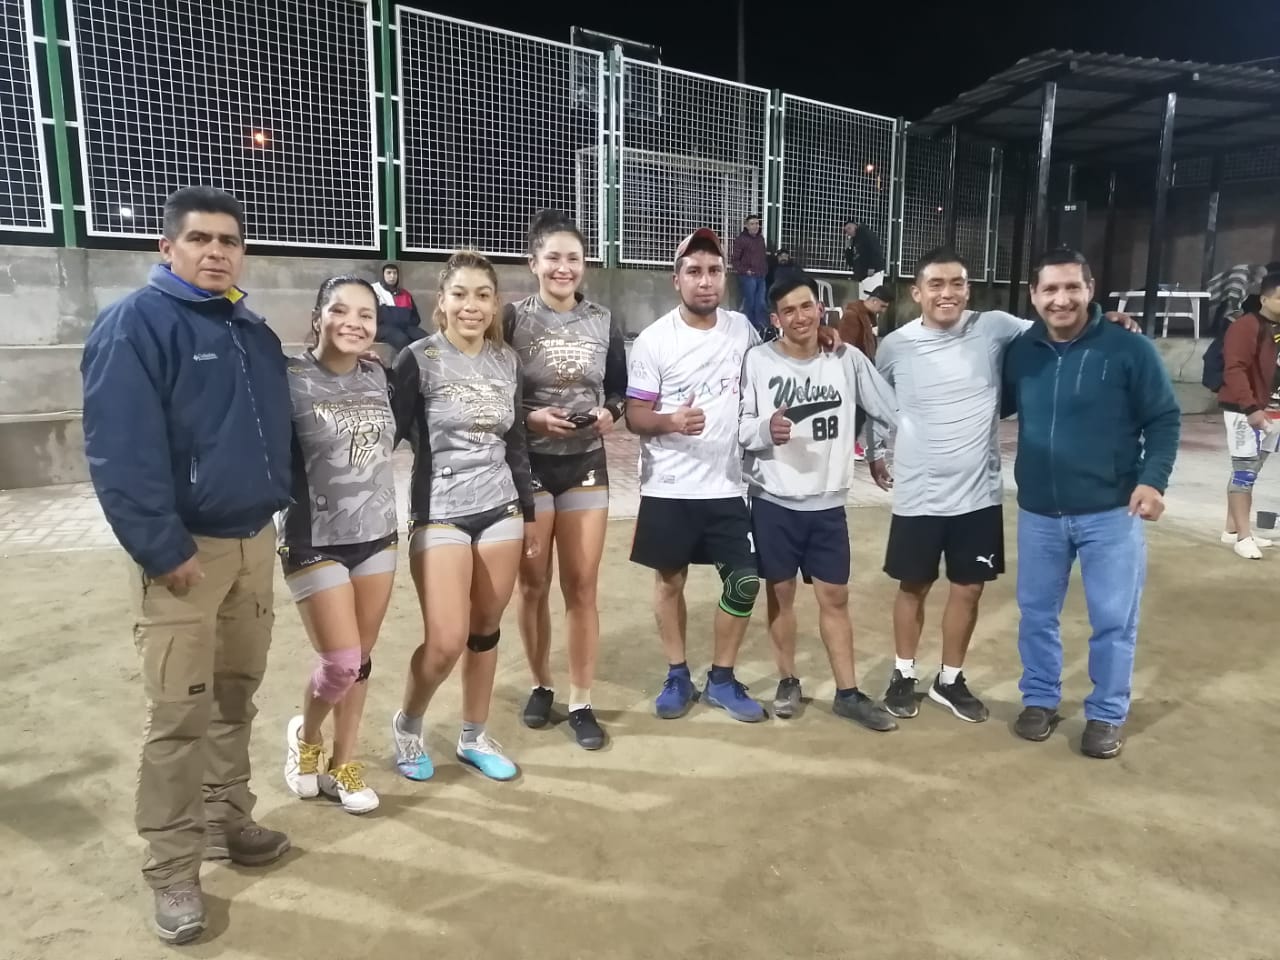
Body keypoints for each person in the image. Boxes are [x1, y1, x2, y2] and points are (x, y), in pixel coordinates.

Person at [81, 186, 292, 944]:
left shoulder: (249, 328)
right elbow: (119, 451)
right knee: (178, 715)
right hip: (185, 557)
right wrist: (163, 548)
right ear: (166, 248)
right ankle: (173, 870)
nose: (216, 252)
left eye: (229, 241)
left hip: (252, 543)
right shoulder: (135, 325)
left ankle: (226, 818)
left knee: (236, 694)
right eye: (199, 239)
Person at [871, 247, 1137, 725]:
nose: (947, 293)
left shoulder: (994, 327)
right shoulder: (895, 345)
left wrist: (1103, 320)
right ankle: (903, 673)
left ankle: (949, 679)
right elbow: (873, 400)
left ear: (968, 289)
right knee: (914, 586)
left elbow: (1056, 324)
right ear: (917, 292)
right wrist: (874, 451)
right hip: (917, 492)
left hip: (978, 493)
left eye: (957, 283)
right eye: (936, 284)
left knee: (968, 588)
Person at [1004, 249, 1180, 759]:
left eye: (1071, 288)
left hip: (1111, 512)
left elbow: (1164, 419)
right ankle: (1040, 699)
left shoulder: (1128, 349)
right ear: (1034, 295)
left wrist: (1153, 482)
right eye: (1050, 289)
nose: (1061, 299)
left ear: (1090, 289)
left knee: (1113, 619)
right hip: (1040, 512)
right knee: (1036, 615)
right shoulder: (1022, 351)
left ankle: (1106, 712)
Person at [389, 250, 538, 783]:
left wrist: (529, 513)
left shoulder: (507, 361)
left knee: (485, 630)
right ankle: (408, 724)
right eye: (460, 294)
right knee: (446, 640)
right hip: (441, 513)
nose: (471, 306)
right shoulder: (417, 358)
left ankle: (474, 735)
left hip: (501, 509)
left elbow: (515, 443)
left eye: (482, 295)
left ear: (495, 304)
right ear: (441, 301)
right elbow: (387, 435)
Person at [738, 274, 899, 731]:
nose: (799, 317)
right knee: (780, 593)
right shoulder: (758, 361)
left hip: (828, 502)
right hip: (773, 499)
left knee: (835, 597)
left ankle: (847, 693)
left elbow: (887, 406)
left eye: (806, 306)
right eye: (788, 310)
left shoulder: (846, 358)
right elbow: (741, 425)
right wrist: (765, 429)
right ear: (775, 319)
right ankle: (787, 679)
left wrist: (884, 448)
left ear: (821, 309)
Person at [625, 228, 769, 722]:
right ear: (677, 280)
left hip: (728, 485)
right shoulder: (654, 340)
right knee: (670, 582)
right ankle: (677, 673)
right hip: (669, 485)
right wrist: (671, 421)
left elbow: (775, 363)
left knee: (744, 582)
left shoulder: (743, 330)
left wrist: (822, 338)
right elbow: (635, 416)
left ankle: (722, 679)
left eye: (714, 271)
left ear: (725, 277)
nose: (705, 281)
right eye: (694, 271)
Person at [503, 209, 626, 751]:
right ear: (533, 263)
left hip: (584, 464)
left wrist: (609, 414)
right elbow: (492, 387)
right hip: (529, 468)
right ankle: (541, 684)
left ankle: (580, 700)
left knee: (582, 586)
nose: (563, 267)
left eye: (573, 258)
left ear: (584, 265)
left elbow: (620, 389)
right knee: (533, 585)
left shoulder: (602, 320)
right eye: (552, 257)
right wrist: (529, 418)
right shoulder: (510, 319)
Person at [279, 277, 398, 815]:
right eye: (340, 310)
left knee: (361, 662)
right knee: (341, 662)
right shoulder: (289, 378)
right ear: (317, 317)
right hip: (314, 538)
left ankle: (343, 764)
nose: (354, 322)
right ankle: (306, 738)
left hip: (378, 536)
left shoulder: (379, 374)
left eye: (365, 314)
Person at [1218, 272, 1280, 560]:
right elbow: (1234, 369)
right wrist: (1251, 408)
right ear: (1264, 299)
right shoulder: (1245, 326)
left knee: (1251, 470)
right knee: (1244, 472)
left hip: (1274, 411)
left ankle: (1232, 529)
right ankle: (1243, 537)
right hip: (1246, 411)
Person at [838, 284, 893, 462]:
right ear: (874, 300)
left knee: (861, 410)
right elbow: (846, 347)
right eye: (882, 306)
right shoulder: (852, 316)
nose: (883, 311)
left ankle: (849, 443)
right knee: (858, 410)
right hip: (853, 370)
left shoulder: (868, 316)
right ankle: (847, 445)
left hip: (864, 369)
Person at [372, 262, 429, 352]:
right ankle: (407, 361)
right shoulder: (373, 290)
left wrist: (409, 327)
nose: (392, 276)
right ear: (382, 274)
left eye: (395, 273)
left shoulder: (405, 294)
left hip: (404, 327)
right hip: (381, 328)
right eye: (389, 273)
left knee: (426, 340)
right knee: (402, 339)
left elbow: (415, 318)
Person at [730, 213, 770, 337]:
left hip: (761, 276)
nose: (755, 226)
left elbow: (763, 257)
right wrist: (745, 271)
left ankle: (761, 329)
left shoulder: (761, 239)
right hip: (748, 277)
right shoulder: (741, 240)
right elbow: (735, 260)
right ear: (746, 226)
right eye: (752, 224)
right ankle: (750, 329)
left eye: (757, 223)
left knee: (761, 303)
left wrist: (764, 270)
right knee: (750, 303)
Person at [842, 220, 885, 298]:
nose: (848, 232)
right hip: (862, 275)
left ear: (855, 226)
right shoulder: (854, 241)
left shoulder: (866, 234)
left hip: (873, 273)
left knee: (873, 298)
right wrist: (848, 249)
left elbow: (874, 250)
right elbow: (851, 262)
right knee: (864, 300)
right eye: (846, 231)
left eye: (849, 228)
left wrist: (872, 267)